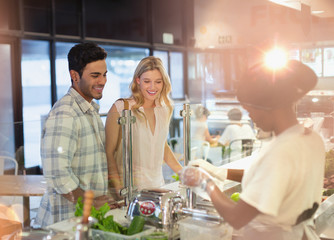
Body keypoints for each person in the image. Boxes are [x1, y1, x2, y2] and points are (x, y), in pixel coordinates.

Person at [180, 60, 325, 240]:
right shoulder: (311, 139)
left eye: (251, 109)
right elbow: (273, 177)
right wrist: (219, 171)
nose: (250, 116)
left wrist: (205, 183)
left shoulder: (281, 151)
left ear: (269, 107)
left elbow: (236, 217)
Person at [35, 43, 119, 228]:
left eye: (104, 75)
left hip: (84, 222)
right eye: (95, 75)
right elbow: (57, 173)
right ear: (75, 76)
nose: (103, 81)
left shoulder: (90, 111)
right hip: (63, 225)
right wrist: (90, 202)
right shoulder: (65, 113)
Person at [105, 56, 183, 193]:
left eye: (158, 82)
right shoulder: (121, 107)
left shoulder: (164, 109)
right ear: (138, 80)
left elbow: (162, 145)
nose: (153, 87)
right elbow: (108, 152)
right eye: (147, 81)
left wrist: (184, 173)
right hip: (129, 189)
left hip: (158, 186)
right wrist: (119, 188)